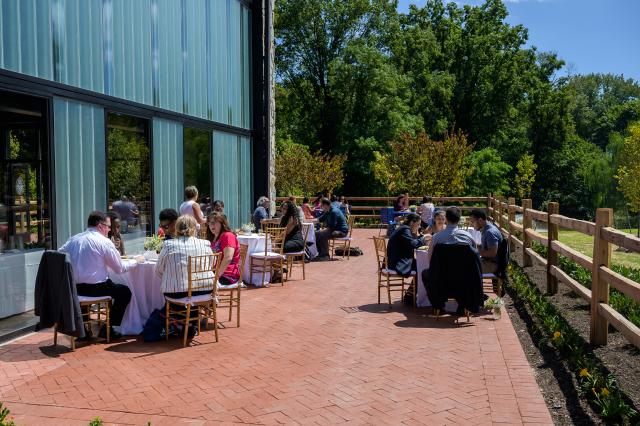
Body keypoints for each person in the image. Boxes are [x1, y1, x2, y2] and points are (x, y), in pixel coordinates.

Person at [59, 211, 143, 339]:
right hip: (95, 288)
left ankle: (83, 329)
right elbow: (120, 269)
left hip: (75, 288)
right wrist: (136, 261)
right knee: (125, 292)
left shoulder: (74, 239)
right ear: (100, 226)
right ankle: (109, 328)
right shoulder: (104, 242)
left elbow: (59, 255)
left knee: (93, 287)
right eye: (108, 227)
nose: (109, 230)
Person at [156, 215, 214, 296]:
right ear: (194, 228)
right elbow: (212, 264)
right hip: (205, 290)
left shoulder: (168, 244)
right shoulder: (205, 244)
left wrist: (173, 276)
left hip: (176, 292)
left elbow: (158, 270)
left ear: (176, 228)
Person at [206, 213, 241, 285]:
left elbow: (228, 258)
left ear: (222, 223)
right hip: (214, 272)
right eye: (209, 223)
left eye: (213, 222)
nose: (211, 225)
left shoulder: (228, 236)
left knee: (198, 285)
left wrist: (216, 276)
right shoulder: (214, 237)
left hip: (227, 275)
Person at [469, 209, 504, 273]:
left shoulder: (490, 232)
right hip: (489, 261)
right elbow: (486, 247)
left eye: (472, 222)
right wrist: (476, 245)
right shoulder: (487, 228)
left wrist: (475, 252)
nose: (471, 225)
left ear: (480, 220)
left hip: (493, 265)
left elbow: (492, 253)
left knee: (465, 268)